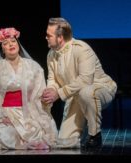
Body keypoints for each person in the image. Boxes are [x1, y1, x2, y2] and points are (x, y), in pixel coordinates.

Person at [42, 17, 117, 149]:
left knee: (86, 92)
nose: (46, 37)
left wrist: (58, 93)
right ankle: (80, 133)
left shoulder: (81, 49)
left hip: (101, 89)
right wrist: (50, 91)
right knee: (65, 141)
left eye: (49, 35)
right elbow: (52, 79)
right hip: (75, 96)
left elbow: (85, 80)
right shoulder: (51, 55)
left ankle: (95, 134)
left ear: (60, 37)